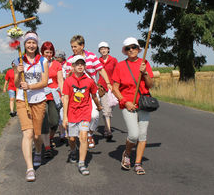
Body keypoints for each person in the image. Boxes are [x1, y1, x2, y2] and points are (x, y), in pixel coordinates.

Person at [112, 37, 154, 175]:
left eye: (134, 47)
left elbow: (150, 85)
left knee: (142, 134)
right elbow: (115, 88)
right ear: (125, 51)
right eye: (128, 48)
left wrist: (145, 73)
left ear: (138, 49)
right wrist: (125, 101)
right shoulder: (120, 65)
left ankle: (137, 163)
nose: (131, 50)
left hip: (143, 103)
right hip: (128, 104)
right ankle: (127, 153)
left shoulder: (144, 63)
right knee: (134, 134)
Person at [65, 35, 113, 149]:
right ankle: (81, 134)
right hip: (77, 93)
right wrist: (71, 72)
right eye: (72, 47)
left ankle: (90, 133)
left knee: (94, 115)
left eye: (75, 46)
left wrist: (108, 83)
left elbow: (100, 69)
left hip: (91, 91)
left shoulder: (91, 56)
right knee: (77, 116)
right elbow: (66, 78)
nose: (73, 49)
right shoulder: (69, 60)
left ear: (82, 46)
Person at [14, 31, 49, 182]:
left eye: (33, 42)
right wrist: (18, 73)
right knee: (27, 134)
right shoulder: (18, 60)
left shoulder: (43, 61)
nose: (31, 45)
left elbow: (45, 82)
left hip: (39, 100)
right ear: (24, 44)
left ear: (37, 45)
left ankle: (39, 150)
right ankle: (29, 168)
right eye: (28, 42)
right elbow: (16, 84)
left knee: (36, 135)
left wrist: (30, 86)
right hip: (23, 101)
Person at [62, 55, 103, 175]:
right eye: (77, 64)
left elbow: (94, 95)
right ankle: (73, 150)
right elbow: (66, 98)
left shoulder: (90, 81)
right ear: (73, 66)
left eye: (82, 64)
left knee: (83, 136)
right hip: (72, 113)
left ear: (85, 66)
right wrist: (65, 117)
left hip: (85, 112)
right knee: (72, 138)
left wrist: (98, 105)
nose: (80, 66)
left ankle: (82, 163)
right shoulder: (68, 81)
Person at [41, 41, 63, 157]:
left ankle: (49, 138)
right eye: (46, 52)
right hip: (42, 95)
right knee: (43, 122)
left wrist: (63, 95)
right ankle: (47, 147)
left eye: (50, 52)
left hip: (54, 95)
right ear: (42, 52)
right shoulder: (38, 63)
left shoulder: (57, 64)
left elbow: (60, 80)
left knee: (54, 121)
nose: (48, 55)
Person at [97, 41, 118, 140]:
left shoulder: (114, 60)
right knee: (106, 109)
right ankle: (109, 131)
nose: (103, 50)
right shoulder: (97, 61)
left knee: (110, 107)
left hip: (112, 87)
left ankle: (106, 127)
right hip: (102, 87)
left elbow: (118, 72)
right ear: (99, 51)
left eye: (105, 48)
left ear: (108, 49)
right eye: (101, 49)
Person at [54, 49, 68, 143]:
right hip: (56, 92)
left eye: (59, 57)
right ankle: (62, 133)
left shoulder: (66, 66)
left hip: (65, 91)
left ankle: (65, 132)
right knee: (59, 115)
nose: (57, 59)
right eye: (56, 57)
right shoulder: (53, 65)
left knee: (64, 113)